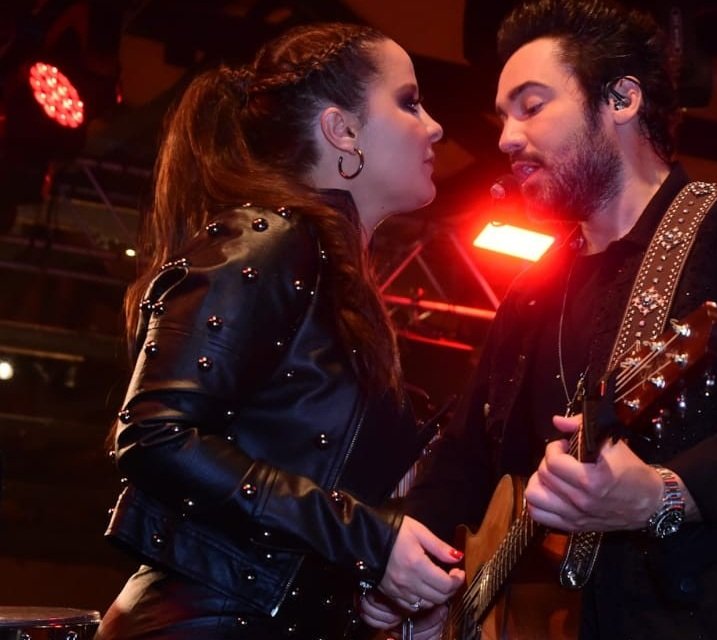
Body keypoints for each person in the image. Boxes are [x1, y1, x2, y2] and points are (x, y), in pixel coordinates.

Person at [397, 1, 717, 638]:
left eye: (531, 106)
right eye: (503, 116)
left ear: (622, 99)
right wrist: (402, 563)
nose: (505, 138)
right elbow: (466, 458)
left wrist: (662, 493)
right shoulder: (531, 293)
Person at [96, 22, 464, 640]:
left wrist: (376, 586)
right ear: (342, 130)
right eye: (409, 102)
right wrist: (370, 541)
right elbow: (156, 434)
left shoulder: (328, 274)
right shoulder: (268, 239)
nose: (434, 127)